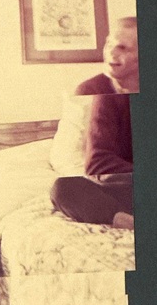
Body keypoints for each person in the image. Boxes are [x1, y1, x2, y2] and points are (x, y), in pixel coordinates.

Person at [50, 17, 139, 229]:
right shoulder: (97, 92)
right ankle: (125, 220)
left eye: (122, 48)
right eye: (109, 44)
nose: (111, 53)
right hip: (123, 187)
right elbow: (98, 162)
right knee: (64, 187)